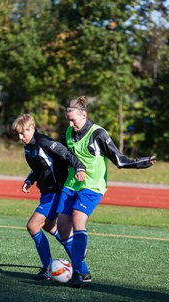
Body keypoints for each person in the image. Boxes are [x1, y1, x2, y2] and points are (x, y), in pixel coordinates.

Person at [57, 96, 156, 287]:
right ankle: (82, 263)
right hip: (71, 185)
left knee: (78, 219)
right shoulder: (68, 132)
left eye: (73, 120)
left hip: (92, 186)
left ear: (84, 115)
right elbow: (62, 155)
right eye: (68, 120)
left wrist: (140, 163)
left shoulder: (98, 134)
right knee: (62, 228)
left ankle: (77, 272)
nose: (70, 124)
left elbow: (118, 159)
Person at [12, 113, 88, 280]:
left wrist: (80, 168)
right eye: (18, 133)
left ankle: (48, 268)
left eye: (23, 132)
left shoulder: (44, 142)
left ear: (32, 128)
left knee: (33, 226)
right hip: (46, 192)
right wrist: (30, 179)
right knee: (49, 227)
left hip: (56, 191)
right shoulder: (29, 146)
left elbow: (66, 155)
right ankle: (79, 254)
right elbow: (40, 166)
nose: (20, 137)